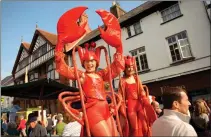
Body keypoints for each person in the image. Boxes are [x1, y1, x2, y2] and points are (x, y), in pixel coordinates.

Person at [55, 8, 125, 136]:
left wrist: (119, 48)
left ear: (96, 62)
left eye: (92, 61)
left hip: (106, 110)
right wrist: (60, 46)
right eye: (87, 62)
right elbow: (63, 68)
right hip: (93, 112)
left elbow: (117, 67)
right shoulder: (81, 75)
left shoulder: (101, 74)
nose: (90, 64)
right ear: (83, 64)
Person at [118, 56, 157, 136]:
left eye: (132, 67)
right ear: (124, 69)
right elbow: (120, 94)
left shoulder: (136, 78)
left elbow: (141, 91)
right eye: (128, 67)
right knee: (134, 127)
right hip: (130, 106)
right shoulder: (122, 80)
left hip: (139, 104)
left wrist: (145, 100)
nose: (130, 69)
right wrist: (120, 104)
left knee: (145, 126)